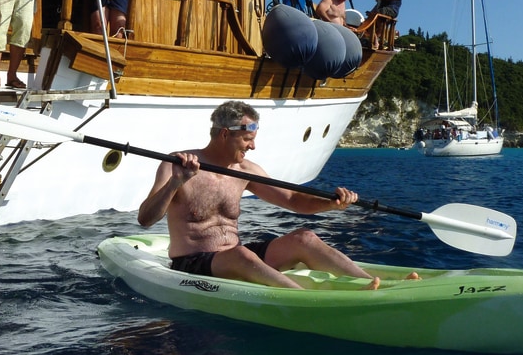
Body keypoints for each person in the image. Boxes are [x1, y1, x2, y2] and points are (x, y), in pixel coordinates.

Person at [138, 101, 421, 289]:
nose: (252, 146)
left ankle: (375, 284)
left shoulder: (246, 171)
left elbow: (293, 200)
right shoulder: (177, 165)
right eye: (247, 139)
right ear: (225, 134)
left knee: (304, 238)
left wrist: (331, 204)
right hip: (193, 263)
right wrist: (175, 183)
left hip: (236, 256)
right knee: (241, 255)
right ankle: (307, 301)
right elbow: (145, 219)